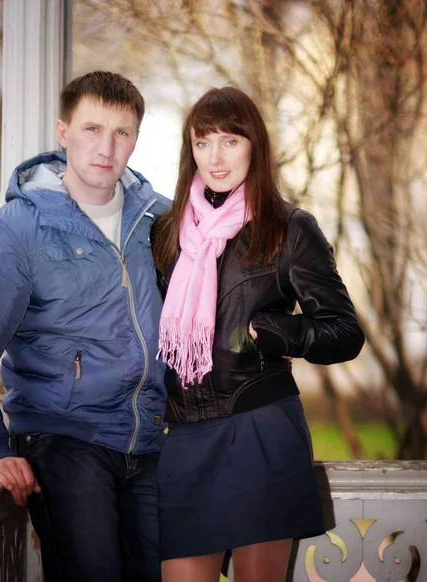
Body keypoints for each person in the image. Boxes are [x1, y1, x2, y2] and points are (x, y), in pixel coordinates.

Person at [0, 71, 170, 582]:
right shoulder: (17, 229)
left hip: (153, 441)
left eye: (122, 133)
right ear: (63, 132)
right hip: (66, 440)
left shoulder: (161, 222)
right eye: (92, 129)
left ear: (135, 138)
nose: (106, 147)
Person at [151, 86, 365, 582]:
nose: (215, 157)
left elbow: (344, 331)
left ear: (255, 146)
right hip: (184, 436)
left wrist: (276, 332)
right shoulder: (165, 232)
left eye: (230, 140)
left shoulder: (289, 227)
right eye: (203, 143)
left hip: (258, 429)